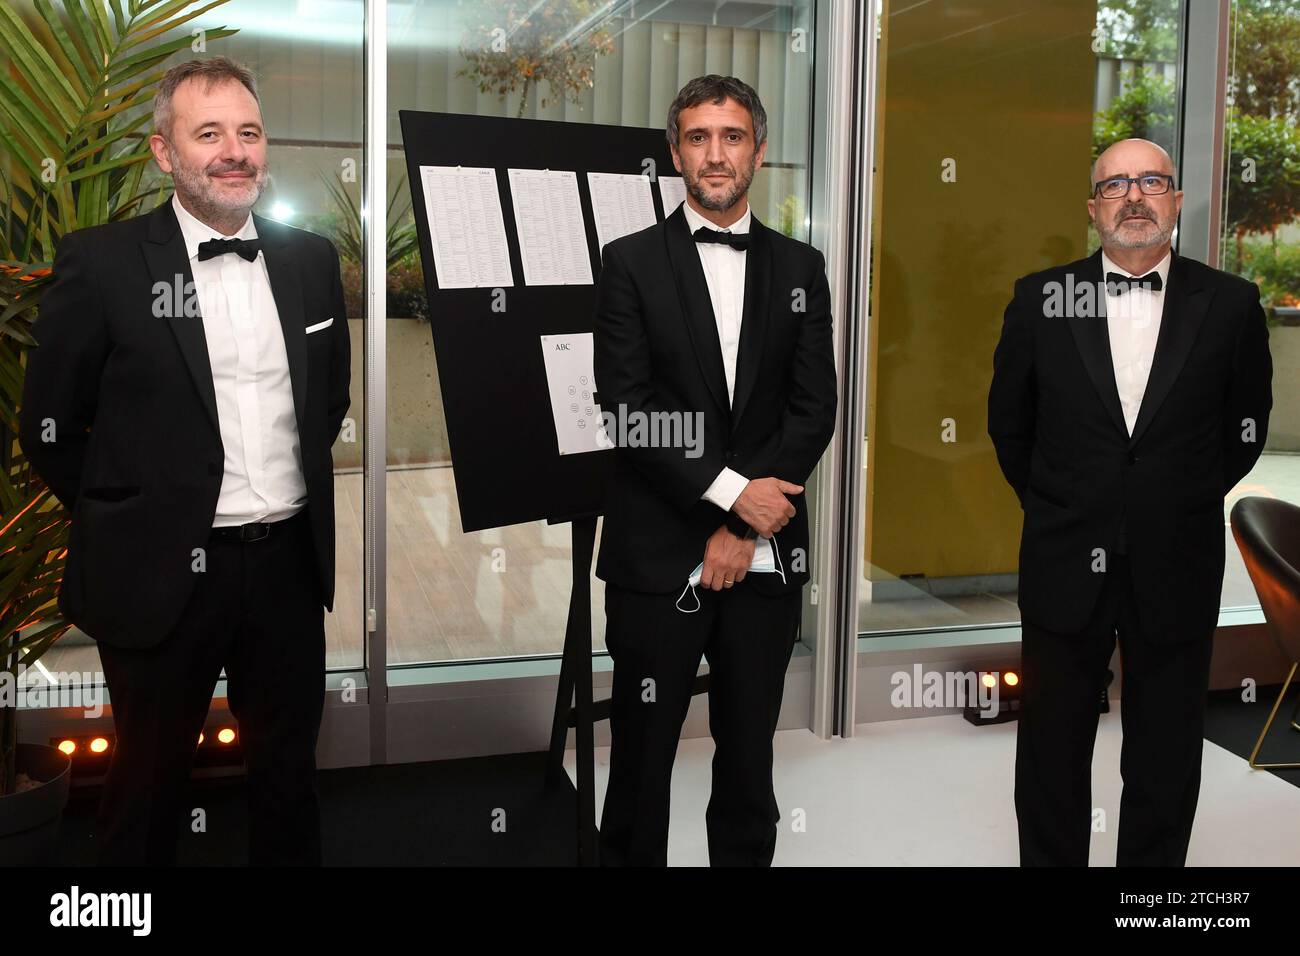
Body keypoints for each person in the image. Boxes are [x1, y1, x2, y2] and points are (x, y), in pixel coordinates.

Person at [19, 55, 351, 865]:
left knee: (287, 777)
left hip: (285, 571)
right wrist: (132, 513)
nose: (234, 151)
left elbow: (327, 403)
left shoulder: (310, 260)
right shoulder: (100, 263)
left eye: (249, 131)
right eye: (209, 133)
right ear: (166, 152)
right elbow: (50, 427)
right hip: (160, 574)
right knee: (145, 791)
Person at [987, 137, 1272, 866]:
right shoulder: (1038, 297)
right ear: (1093, 208)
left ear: (1176, 199)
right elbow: (1010, 427)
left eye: (1152, 181)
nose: (1134, 196)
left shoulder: (1233, 304)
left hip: (1176, 557)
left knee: (1167, 752)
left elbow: (1244, 429)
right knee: (1051, 751)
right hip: (1061, 556)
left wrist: (1172, 496)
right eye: (1115, 185)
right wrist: (1062, 502)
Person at [592, 74, 837, 866]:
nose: (716, 153)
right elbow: (629, 409)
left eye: (732, 136)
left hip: (762, 559)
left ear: (759, 151)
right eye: (698, 138)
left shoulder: (802, 268)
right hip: (656, 557)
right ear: (674, 154)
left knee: (748, 761)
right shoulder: (628, 262)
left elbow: (813, 411)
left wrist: (741, 526)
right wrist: (734, 497)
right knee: (640, 761)